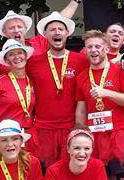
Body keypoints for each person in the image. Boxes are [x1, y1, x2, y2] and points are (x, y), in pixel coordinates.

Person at [75, 30, 124, 180]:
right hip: (96, 136)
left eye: (97, 46)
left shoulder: (120, 70)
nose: (94, 50)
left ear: (105, 48)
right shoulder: (81, 77)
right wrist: (81, 134)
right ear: (85, 50)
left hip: (121, 133)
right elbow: (81, 111)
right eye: (90, 47)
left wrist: (106, 93)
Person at [0, 0, 86, 83]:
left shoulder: (38, 43)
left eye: (19, 27)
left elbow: (58, 21)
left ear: (25, 29)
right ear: (4, 32)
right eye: (11, 28)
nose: (16, 30)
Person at [26, 12, 89, 167]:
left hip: (70, 127)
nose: (57, 32)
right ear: (45, 34)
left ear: (67, 33)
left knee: (70, 172)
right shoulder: (33, 62)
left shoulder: (81, 61)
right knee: (45, 175)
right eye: (52, 29)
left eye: (61, 29)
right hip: (43, 128)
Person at [0, 39, 37, 157]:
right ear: (7, 60)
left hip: (27, 135)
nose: (17, 57)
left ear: (26, 56)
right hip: (5, 136)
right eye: (11, 54)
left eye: (20, 53)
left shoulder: (32, 81)